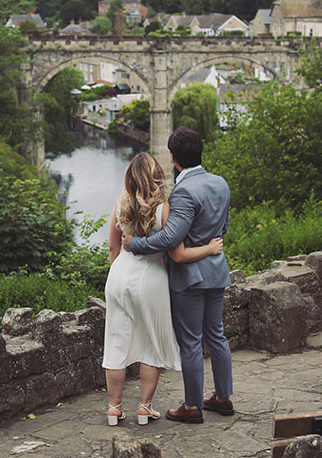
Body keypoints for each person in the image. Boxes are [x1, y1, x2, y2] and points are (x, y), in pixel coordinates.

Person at [122, 126, 234, 424]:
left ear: (173, 158)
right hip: (216, 270)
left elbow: (170, 238)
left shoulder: (185, 191)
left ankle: (193, 406)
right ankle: (223, 397)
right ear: (200, 152)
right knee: (217, 335)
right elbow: (222, 229)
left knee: (192, 341)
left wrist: (135, 245)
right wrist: (210, 249)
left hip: (190, 278)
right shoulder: (220, 183)